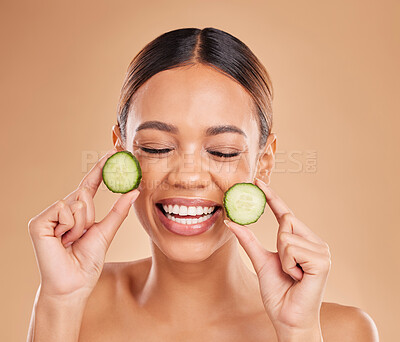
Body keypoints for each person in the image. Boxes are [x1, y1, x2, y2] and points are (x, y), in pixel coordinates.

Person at [27, 27, 379, 341]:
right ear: (122, 152)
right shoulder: (74, 302)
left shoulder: (340, 332)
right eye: (157, 147)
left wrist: (298, 332)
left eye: (223, 152)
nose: (188, 177)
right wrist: (61, 302)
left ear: (264, 162)